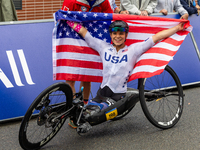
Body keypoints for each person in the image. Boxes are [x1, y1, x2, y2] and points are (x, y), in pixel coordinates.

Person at [66, 19, 186, 114]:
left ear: (126, 34)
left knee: (92, 114)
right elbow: (85, 34)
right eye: (114, 33)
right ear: (110, 35)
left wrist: (177, 28)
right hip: (101, 93)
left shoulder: (133, 50)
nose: (117, 36)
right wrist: (67, 21)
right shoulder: (103, 47)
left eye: (121, 33)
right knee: (80, 111)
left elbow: (157, 37)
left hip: (118, 96)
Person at [61, 0, 113, 129]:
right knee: (70, 79)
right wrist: (79, 28)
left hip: (90, 41)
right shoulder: (71, 1)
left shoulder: (104, 2)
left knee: (86, 77)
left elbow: (111, 19)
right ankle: (73, 112)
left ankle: (83, 109)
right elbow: (63, 19)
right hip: (72, 40)